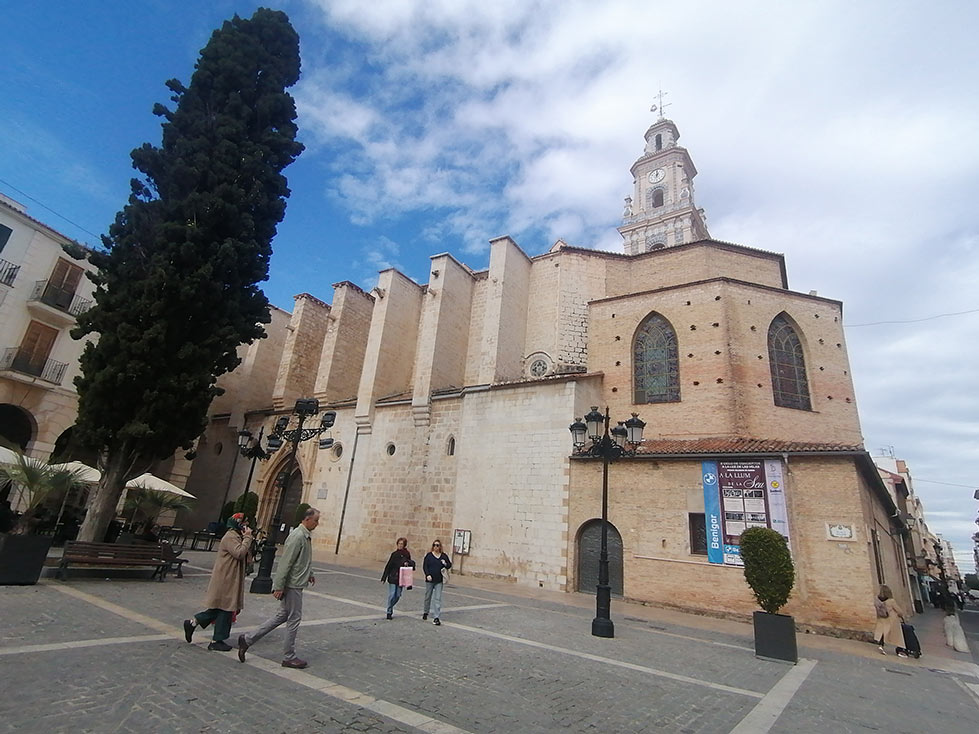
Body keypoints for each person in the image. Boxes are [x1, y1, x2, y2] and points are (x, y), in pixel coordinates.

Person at [238, 507, 320, 669]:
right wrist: (279, 586)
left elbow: (302, 559)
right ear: (307, 519)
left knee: (282, 616)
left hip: (296, 582)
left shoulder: (305, 536)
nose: (317, 524)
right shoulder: (298, 536)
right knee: (294, 619)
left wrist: (309, 573)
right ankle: (289, 656)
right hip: (293, 584)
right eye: (316, 520)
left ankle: (247, 639)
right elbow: (286, 563)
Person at [183, 513, 254, 651]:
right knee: (226, 608)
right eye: (244, 522)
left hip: (230, 576)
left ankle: (193, 623)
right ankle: (216, 640)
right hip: (226, 578)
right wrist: (248, 538)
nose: (247, 525)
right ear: (238, 523)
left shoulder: (236, 536)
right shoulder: (230, 537)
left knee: (220, 608)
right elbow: (239, 553)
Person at [381, 536, 414, 620]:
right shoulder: (394, 554)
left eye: (401, 544)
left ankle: (390, 606)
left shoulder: (407, 554)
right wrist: (384, 577)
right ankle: (389, 611)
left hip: (401, 577)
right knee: (392, 594)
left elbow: (411, 565)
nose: (400, 545)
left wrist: (407, 563)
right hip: (393, 576)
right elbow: (389, 565)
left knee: (398, 595)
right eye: (399, 544)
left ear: (404, 545)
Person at [422, 539, 452, 625]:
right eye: (434, 545)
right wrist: (427, 574)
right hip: (430, 580)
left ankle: (436, 617)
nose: (436, 547)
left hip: (439, 580)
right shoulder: (429, 556)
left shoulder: (443, 556)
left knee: (437, 599)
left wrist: (445, 563)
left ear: (440, 547)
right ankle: (426, 611)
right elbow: (425, 566)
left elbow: (449, 565)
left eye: (437, 545)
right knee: (428, 597)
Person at [873, 584, 908, 657]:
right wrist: (901, 615)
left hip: (881, 618)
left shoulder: (877, 600)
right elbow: (899, 611)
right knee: (897, 635)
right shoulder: (891, 601)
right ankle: (900, 649)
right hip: (891, 620)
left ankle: (881, 645)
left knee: (883, 633)